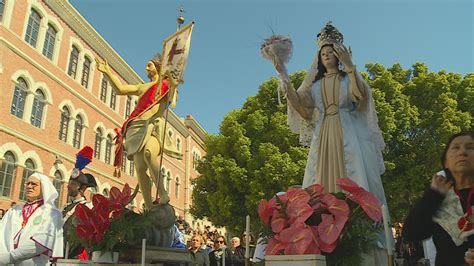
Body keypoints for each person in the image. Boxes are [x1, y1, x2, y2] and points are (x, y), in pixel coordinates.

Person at [273, 21, 390, 264]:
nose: (326, 57)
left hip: (347, 129)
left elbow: (361, 98)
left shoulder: (349, 80)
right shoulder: (315, 87)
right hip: (324, 133)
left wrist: (350, 67)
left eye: (330, 53)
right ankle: (321, 224)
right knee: (320, 180)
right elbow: (303, 109)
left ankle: (355, 225)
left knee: (353, 174)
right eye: (322, 54)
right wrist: (283, 74)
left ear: (338, 56)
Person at [96, 54, 181, 209]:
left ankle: (163, 194)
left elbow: (172, 95)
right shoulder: (142, 87)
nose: (146, 68)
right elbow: (121, 89)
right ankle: (148, 209)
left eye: (149, 65)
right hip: (137, 127)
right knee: (140, 169)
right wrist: (107, 71)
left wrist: (173, 77)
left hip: (153, 126)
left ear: (158, 67)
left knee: (149, 153)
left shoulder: (166, 85)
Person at [404, 132, 474, 266]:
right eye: (455, 148)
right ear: (446, 162)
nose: (462, 152)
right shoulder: (438, 198)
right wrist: (433, 195)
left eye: (470, 147)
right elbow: (412, 233)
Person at [0, 173, 64, 265]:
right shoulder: (14, 210)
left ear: (44, 188)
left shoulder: (52, 213)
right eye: (28, 183)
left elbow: (41, 242)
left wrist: (10, 257)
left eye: (34, 184)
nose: (29, 186)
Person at [62, 146, 97, 259]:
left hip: (75, 256)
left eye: (73, 184)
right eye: (69, 182)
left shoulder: (88, 207)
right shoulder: (65, 207)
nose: (68, 186)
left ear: (82, 188)